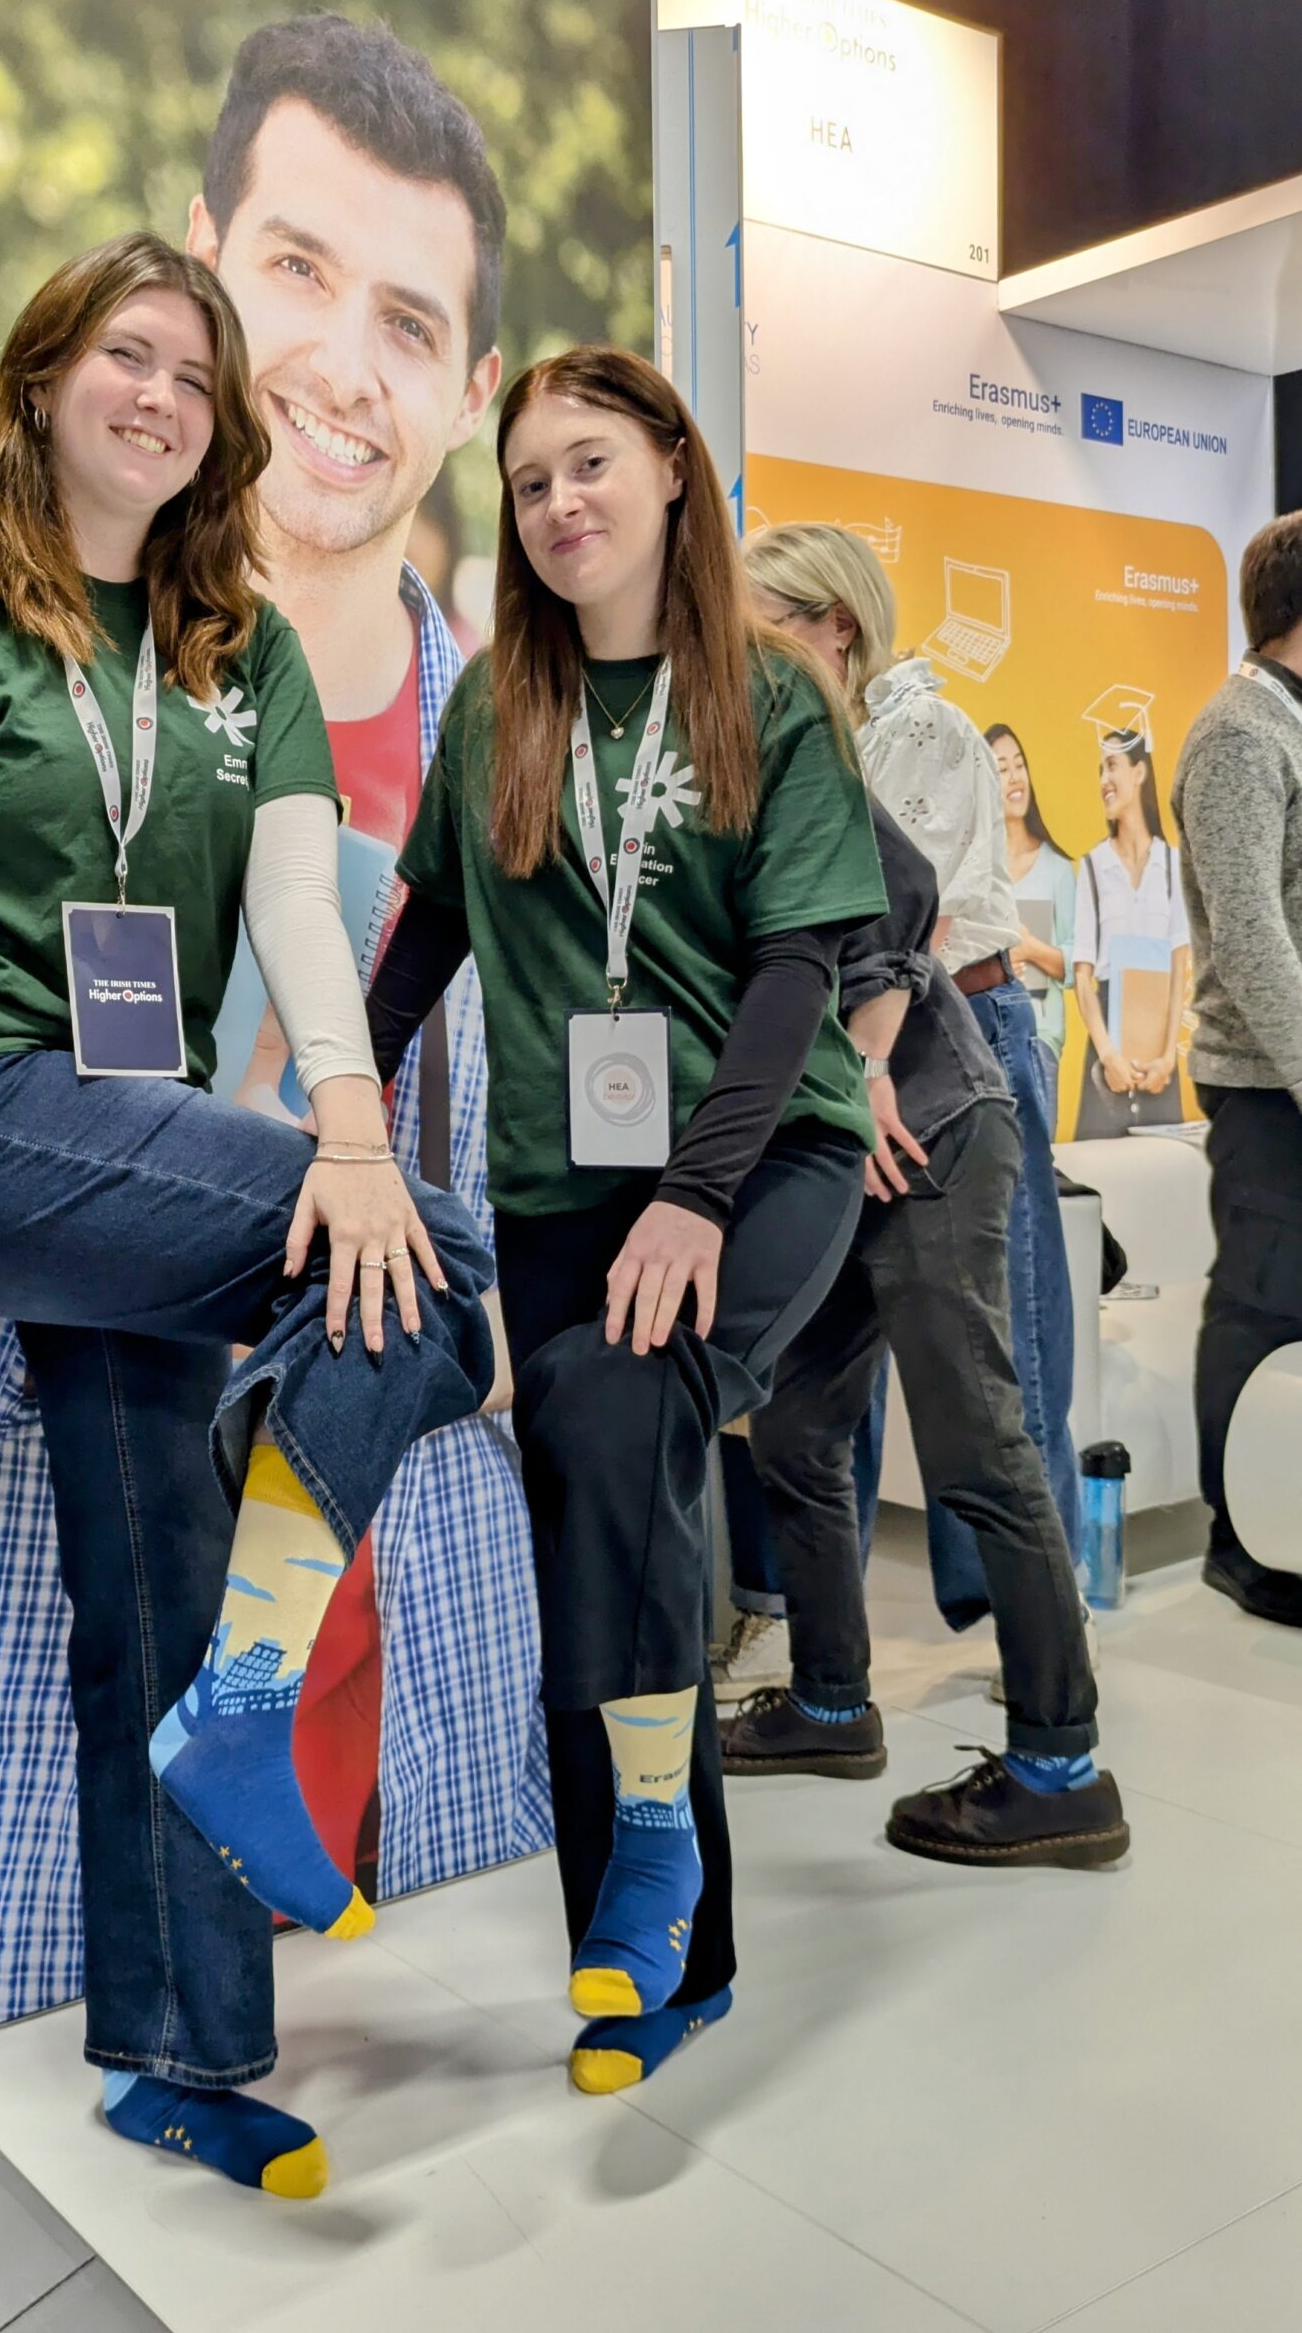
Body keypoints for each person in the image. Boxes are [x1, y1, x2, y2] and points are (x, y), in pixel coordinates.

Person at [0, 230, 495, 2201]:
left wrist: (348, 1132)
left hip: (133, 1137)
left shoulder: (232, 644)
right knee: (455, 1259)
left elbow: (290, 921)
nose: (162, 395)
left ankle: (177, 2047)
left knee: (161, 1579)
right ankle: (259, 1703)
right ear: (41, 380)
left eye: (195, 375)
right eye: (128, 355)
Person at [367, 347, 889, 2097]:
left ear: (670, 468)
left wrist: (691, 1194)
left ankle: (648, 1874)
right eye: (526, 486)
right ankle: (650, 1962)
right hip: (554, 1183)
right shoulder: (494, 706)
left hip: (764, 1157)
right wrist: (344, 1114)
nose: (557, 506)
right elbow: (425, 934)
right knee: (601, 1502)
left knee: (601, 1409)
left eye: (588, 466)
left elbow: (794, 969)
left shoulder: (765, 693)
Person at [190, 12, 544, 1897]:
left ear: (469, 387)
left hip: (430, 1653)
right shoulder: (20, 700)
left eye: (406, 321)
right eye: (295, 272)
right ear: (197, 263)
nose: (341, 363)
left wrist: (490, 1320)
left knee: (456, 2151)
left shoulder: (517, 763)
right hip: (106, 1586)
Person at [720, 785, 1129, 1866]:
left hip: (930, 1128)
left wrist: (860, 1071)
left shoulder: (772, 749)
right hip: (834, 1161)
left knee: (976, 1447)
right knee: (798, 1432)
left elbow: (907, 889)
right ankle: (829, 1702)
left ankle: (1061, 1771)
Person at [741, 526, 1082, 1633]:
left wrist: (870, 1063)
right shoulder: (795, 741)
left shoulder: (919, 731)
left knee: (994, 1381)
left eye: (763, 624)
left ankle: (1043, 1666)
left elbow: (898, 914)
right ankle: (829, 1677)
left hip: (944, 1042)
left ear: (832, 624)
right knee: (817, 1394)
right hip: (849, 1064)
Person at [1173, 515, 1302, 1628]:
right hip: (1266, 1086)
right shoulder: (1239, 733)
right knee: (1259, 1306)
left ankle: (1285, 1511)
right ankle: (1236, 1535)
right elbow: (1253, 935)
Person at [1073, 727, 1190, 1138]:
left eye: (1112, 766)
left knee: (1162, 1175)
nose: (1105, 781)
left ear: (1139, 772)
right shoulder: (1092, 865)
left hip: (1159, 1048)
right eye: (1100, 770)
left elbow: (1180, 967)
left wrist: (1167, 1057)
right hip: (1107, 1049)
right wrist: (1107, 1055)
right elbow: (1083, 974)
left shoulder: (1174, 865)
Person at [989, 723, 1074, 1134]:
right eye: (1001, 768)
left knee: (1036, 1169)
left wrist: (1029, 948)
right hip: (985, 1038)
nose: (1014, 777)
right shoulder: (980, 871)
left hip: (1039, 1039)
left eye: (1018, 765)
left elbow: (1077, 965)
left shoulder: (1058, 870)